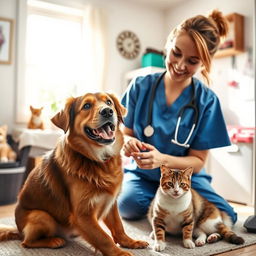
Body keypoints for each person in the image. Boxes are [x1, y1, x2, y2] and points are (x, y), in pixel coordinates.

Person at [118, 9, 237, 224]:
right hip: (143, 176)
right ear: (168, 44)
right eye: (176, 53)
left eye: (192, 61)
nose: (180, 65)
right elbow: (124, 133)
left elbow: (198, 161)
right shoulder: (140, 86)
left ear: (204, 63)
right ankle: (166, 210)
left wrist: (162, 160)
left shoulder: (207, 101)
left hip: (186, 179)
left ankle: (168, 210)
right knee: (127, 206)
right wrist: (128, 143)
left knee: (225, 214)